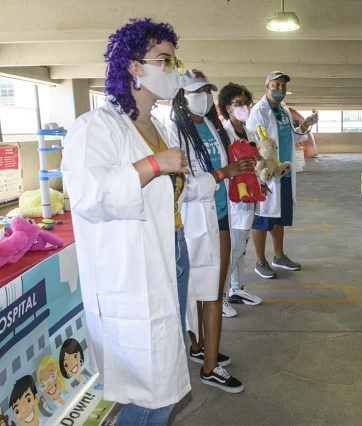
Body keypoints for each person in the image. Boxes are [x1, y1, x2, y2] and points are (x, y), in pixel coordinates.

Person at [61, 18, 195, 426]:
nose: (173, 69)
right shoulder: (95, 127)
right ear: (134, 67)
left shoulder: (160, 126)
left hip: (172, 251)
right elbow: (87, 195)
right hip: (131, 272)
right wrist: (153, 165)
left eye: (174, 61)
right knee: (151, 390)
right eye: (164, 60)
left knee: (167, 372)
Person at [168, 69, 252, 393]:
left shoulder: (212, 126)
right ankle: (210, 367)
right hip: (196, 222)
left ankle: (204, 348)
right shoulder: (176, 130)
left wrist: (241, 175)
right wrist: (221, 174)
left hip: (219, 217)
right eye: (197, 90)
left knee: (210, 291)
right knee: (207, 293)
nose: (203, 95)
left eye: (207, 90)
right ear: (183, 95)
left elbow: (229, 166)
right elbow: (183, 187)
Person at [246, 71, 318, 278]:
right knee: (262, 217)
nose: (280, 89)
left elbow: (293, 139)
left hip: (284, 172)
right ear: (267, 87)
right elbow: (253, 144)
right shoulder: (259, 111)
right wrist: (258, 171)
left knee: (279, 216)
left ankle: (279, 256)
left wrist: (306, 124)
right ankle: (260, 261)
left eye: (283, 85)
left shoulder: (284, 110)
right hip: (267, 175)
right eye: (275, 85)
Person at [218, 82, 263, 309]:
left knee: (242, 246)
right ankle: (221, 295)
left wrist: (261, 183)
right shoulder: (222, 135)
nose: (243, 107)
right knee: (233, 248)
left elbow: (254, 164)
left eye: (246, 103)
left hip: (248, 198)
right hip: (231, 199)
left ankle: (237, 288)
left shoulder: (249, 133)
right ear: (227, 108)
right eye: (238, 103)